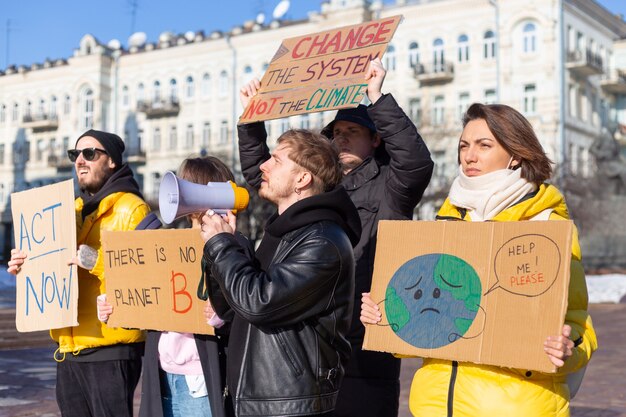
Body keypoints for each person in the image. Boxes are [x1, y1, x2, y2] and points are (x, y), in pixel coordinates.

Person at [360, 103, 598, 417]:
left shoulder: (544, 226)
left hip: (513, 407)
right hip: (434, 405)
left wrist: (568, 351)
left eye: (484, 145)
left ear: (515, 153)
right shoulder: (445, 223)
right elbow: (425, 324)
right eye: (464, 145)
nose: (470, 156)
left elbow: (580, 326)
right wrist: (388, 316)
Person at [200, 125, 362, 416]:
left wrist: (222, 246)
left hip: (289, 405)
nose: (263, 165)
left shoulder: (324, 242)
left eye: (276, 160)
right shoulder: (282, 232)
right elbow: (230, 309)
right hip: (255, 400)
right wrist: (226, 247)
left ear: (302, 178)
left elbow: (259, 302)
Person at [320, 58, 434, 417]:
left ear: (375, 138)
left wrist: (378, 98)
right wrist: (250, 127)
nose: (340, 138)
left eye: (351, 131)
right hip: (322, 338)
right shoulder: (323, 189)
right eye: (336, 132)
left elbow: (417, 162)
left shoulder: (392, 186)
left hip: (370, 339)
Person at [8, 129, 150, 417]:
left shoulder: (133, 209)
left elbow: (145, 277)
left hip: (110, 350)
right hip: (68, 349)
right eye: (75, 154)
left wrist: (95, 260)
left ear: (112, 161)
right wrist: (26, 265)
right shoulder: (71, 210)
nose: (80, 161)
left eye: (90, 153)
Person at [96, 156, 243, 417]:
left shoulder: (234, 245)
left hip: (200, 378)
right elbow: (147, 298)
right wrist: (115, 306)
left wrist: (223, 314)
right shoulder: (170, 245)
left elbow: (248, 306)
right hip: (162, 373)